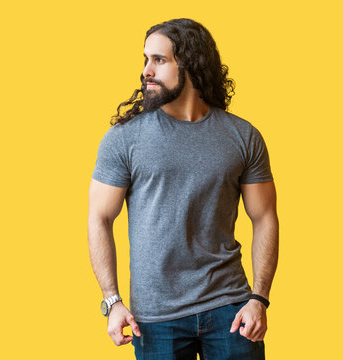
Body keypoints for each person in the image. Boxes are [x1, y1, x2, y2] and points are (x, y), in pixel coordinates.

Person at [88, 18, 279, 360]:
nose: (147, 70)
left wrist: (259, 298)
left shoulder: (242, 136)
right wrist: (112, 301)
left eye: (159, 60)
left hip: (230, 309)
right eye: (145, 59)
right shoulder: (124, 139)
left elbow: (265, 217)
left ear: (190, 62)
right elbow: (99, 218)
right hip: (155, 318)